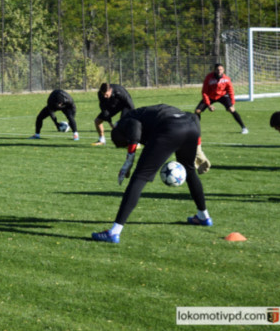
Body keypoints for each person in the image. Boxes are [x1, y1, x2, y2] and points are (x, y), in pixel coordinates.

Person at [91, 104, 213, 244]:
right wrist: (198, 148)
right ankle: (204, 216)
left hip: (170, 129)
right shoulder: (144, 113)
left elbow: (135, 129)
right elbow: (193, 118)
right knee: (190, 171)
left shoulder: (126, 121)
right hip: (190, 126)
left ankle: (114, 232)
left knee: (139, 178)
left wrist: (128, 162)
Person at [195, 63, 248, 134]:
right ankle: (195, 129)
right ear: (214, 70)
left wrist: (232, 103)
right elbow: (204, 92)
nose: (219, 71)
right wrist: (208, 105)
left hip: (222, 96)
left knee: (232, 109)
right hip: (210, 96)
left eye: (221, 69)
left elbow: (231, 91)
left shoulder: (226, 79)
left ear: (223, 70)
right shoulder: (208, 78)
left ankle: (244, 128)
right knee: (197, 111)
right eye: (217, 70)